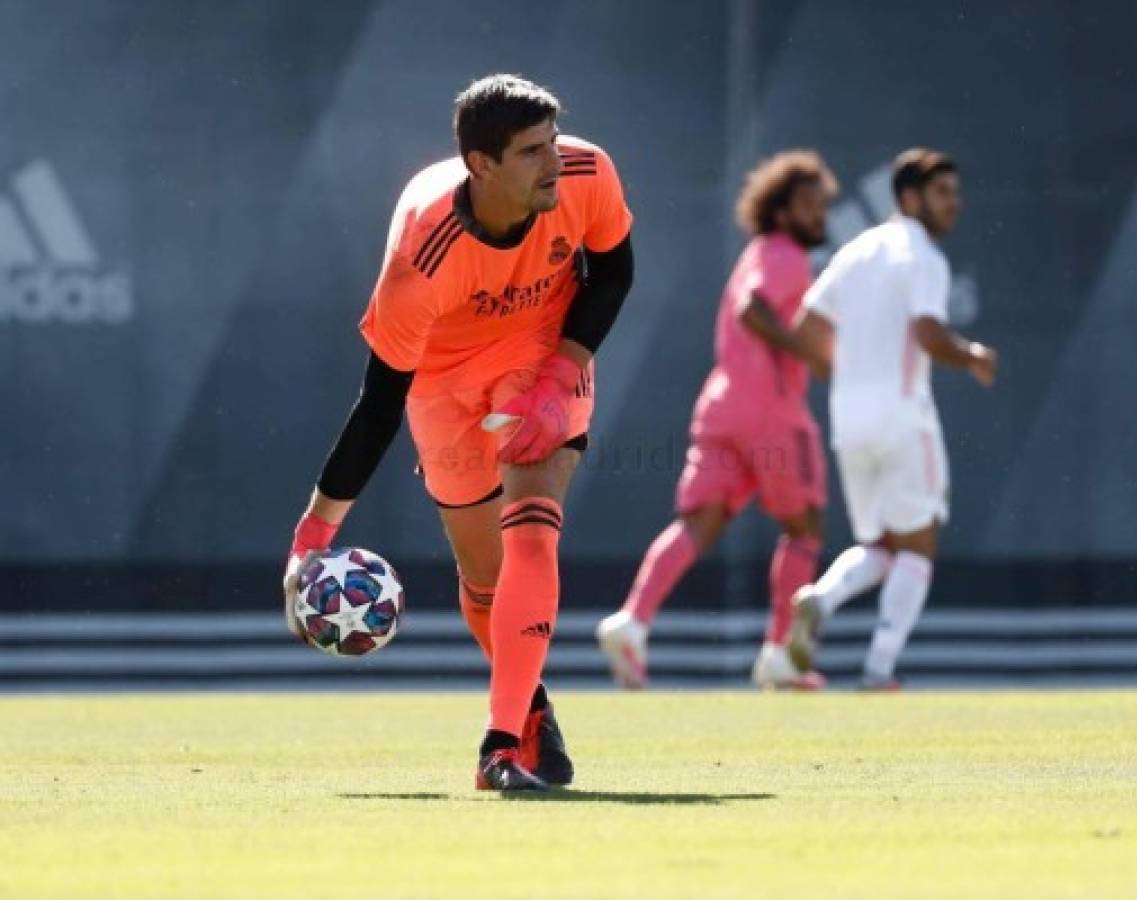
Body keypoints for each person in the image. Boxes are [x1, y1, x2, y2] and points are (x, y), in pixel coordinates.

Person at [282, 75, 634, 790]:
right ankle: (529, 706)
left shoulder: (586, 172)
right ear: (482, 164)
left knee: (531, 532)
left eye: (553, 141)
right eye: (532, 152)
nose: (553, 162)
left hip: (541, 354)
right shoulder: (421, 260)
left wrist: (558, 378)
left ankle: (498, 746)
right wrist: (311, 540)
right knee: (483, 578)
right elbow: (380, 405)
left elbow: (614, 272)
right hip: (440, 382)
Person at [596, 151, 836, 691]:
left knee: (698, 522)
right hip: (772, 412)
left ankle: (632, 621)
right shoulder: (787, 256)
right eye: (809, 204)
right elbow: (756, 308)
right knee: (805, 528)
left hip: (723, 403)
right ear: (779, 210)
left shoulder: (759, 250)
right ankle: (778, 652)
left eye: (823, 205)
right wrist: (814, 353)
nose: (819, 216)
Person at [786, 148, 998, 689]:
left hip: (849, 419)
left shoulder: (858, 249)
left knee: (880, 546)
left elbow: (807, 325)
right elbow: (928, 333)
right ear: (909, 198)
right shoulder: (922, 254)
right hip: (903, 417)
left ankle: (821, 598)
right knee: (918, 545)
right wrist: (974, 356)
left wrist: (850, 377)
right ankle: (879, 667)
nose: (954, 203)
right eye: (942, 193)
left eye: (955, 192)